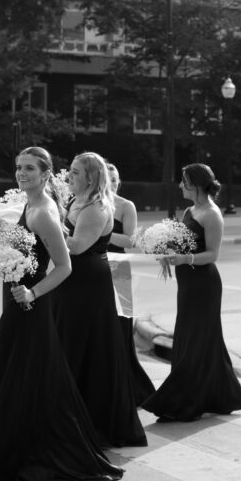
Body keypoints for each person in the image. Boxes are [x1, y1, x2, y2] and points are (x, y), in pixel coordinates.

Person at [0, 147, 123, 481]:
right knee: (23, 378)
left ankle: (9, 457)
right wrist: (1, 260)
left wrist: (32, 293)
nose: (21, 173)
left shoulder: (44, 212)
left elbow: (64, 266)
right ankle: (18, 449)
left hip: (30, 306)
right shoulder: (29, 205)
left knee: (21, 377)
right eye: (18, 167)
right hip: (17, 303)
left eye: (29, 168)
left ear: (46, 174)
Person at [141, 163, 241, 423]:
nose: (180, 186)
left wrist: (184, 258)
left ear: (197, 184)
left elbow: (213, 254)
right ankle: (222, 395)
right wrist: (167, 252)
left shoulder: (212, 214)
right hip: (188, 284)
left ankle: (184, 401)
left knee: (196, 341)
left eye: (184, 181)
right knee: (201, 340)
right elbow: (185, 242)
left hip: (204, 285)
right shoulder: (191, 210)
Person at [51, 152, 147, 448]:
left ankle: (92, 418)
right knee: (70, 340)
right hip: (72, 279)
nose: (70, 176)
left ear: (91, 177)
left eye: (76, 172)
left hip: (88, 280)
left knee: (86, 343)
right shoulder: (74, 202)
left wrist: (46, 228)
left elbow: (78, 246)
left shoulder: (96, 208)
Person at [106, 163, 155, 405]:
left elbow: (131, 239)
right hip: (91, 263)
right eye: (108, 179)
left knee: (122, 319)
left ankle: (130, 384)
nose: (113, 184)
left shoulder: (126, 206)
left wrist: (102, 232)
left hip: (119, 267)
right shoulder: (85, 202)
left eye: (116, 180)